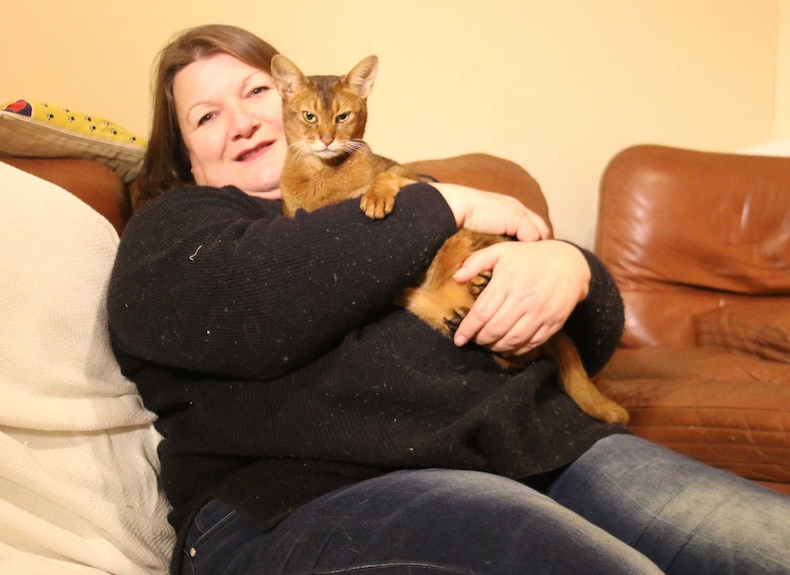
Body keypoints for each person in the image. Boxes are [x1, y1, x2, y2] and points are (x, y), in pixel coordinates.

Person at [107, 23, 790, 575]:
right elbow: (267, 301)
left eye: (256, 92)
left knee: (764, 543)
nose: (243, 121)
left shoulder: (392, 191)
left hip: (533, 446)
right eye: (205, 115)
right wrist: (444, 201)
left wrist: (568, 268)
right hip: (305, 495)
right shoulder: (174, 228)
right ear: (185, 155)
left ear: (290, 96)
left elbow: (591, 325)